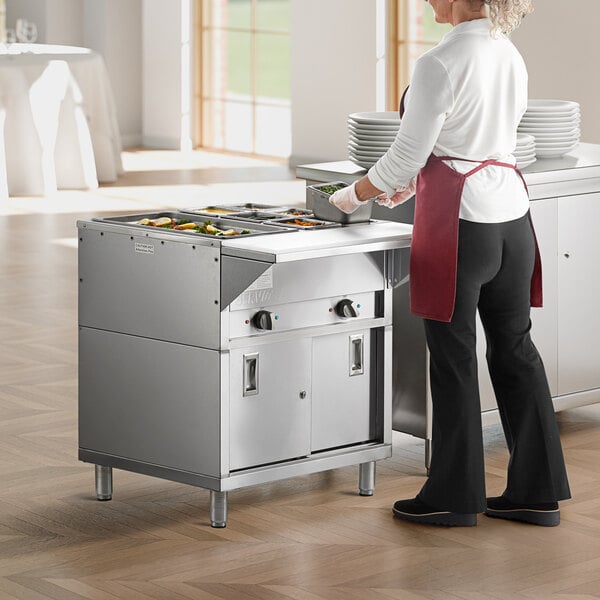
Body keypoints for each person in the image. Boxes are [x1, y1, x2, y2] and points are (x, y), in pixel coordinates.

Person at [329, 0, 571, 527]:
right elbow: (474, 143)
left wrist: (352, 195)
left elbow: (405, 155)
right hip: (511, 220)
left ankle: (454, 496)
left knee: (454, 356)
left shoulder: (439, 62)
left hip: (461, 224)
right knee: (515, 351)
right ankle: (538, 491)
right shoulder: (507, 52)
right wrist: (407, 184)